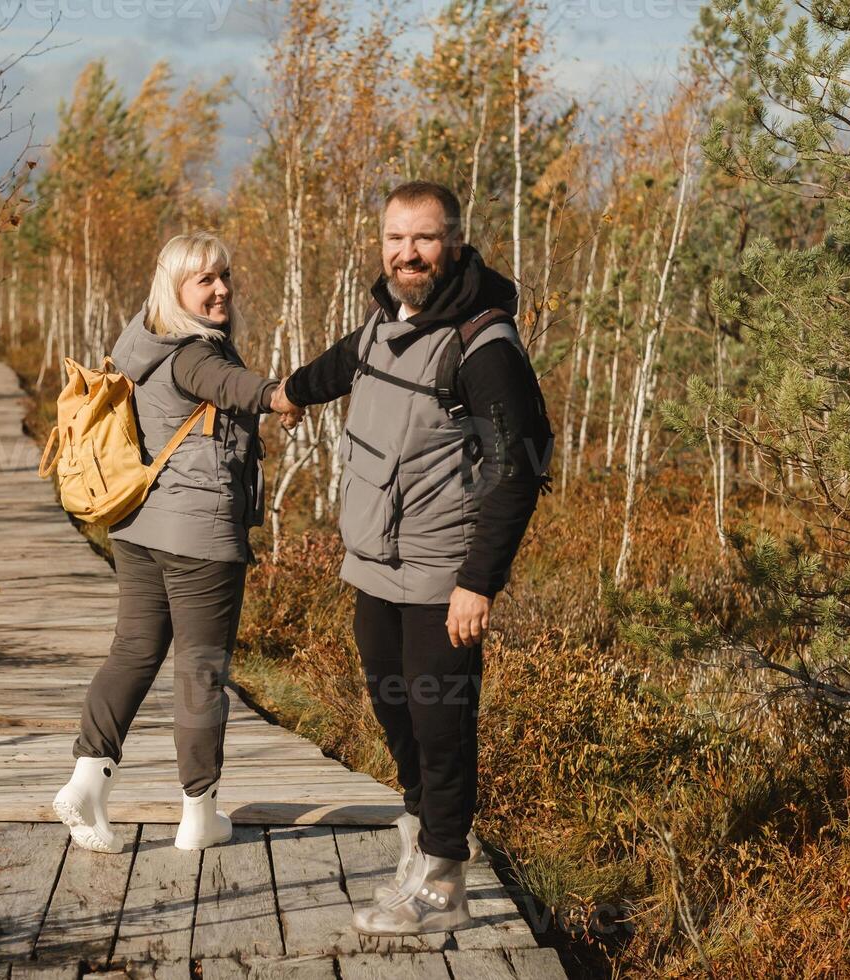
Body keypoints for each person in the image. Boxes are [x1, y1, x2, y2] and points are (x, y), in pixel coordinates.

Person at [272, 181, 551, 935]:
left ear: (454, 242)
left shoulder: (483, 344)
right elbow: (344, 363)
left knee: (440, 722)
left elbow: (519, 468)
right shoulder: (386, 318)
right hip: (374, 563)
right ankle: (419, 835)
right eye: (396, 239)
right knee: (393, 709)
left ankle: (443, 882)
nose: (408, 253)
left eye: (423, 239)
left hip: (440, 572)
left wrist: (477, 582)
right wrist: (286, 394)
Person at [52, 232, 300, 853]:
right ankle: (199, 814)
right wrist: (279, 394)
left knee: (135, 650)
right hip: (198, 537)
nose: (220, 289)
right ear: (176, 288)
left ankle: (87, 780)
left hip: (136, 525)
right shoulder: (191, 352)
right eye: (204, 280)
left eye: (224, 276)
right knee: (200, 670)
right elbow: (224, 383)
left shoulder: (139, 338)